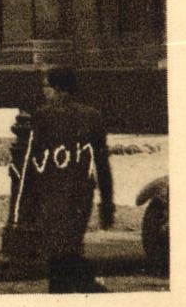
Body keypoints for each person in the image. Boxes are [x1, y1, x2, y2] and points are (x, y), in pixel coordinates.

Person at [6, 65, 114, 292]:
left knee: (58, 252)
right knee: (70, 247)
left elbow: (31, 163)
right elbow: (102, 164)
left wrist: (23, 206)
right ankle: (83, 287)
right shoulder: (92, 116)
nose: (44, 91)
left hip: (52, 193)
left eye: (47, 86)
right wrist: (106, 203)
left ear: (60, 90)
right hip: (81, 196)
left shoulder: (43, 116)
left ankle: (82, 287)